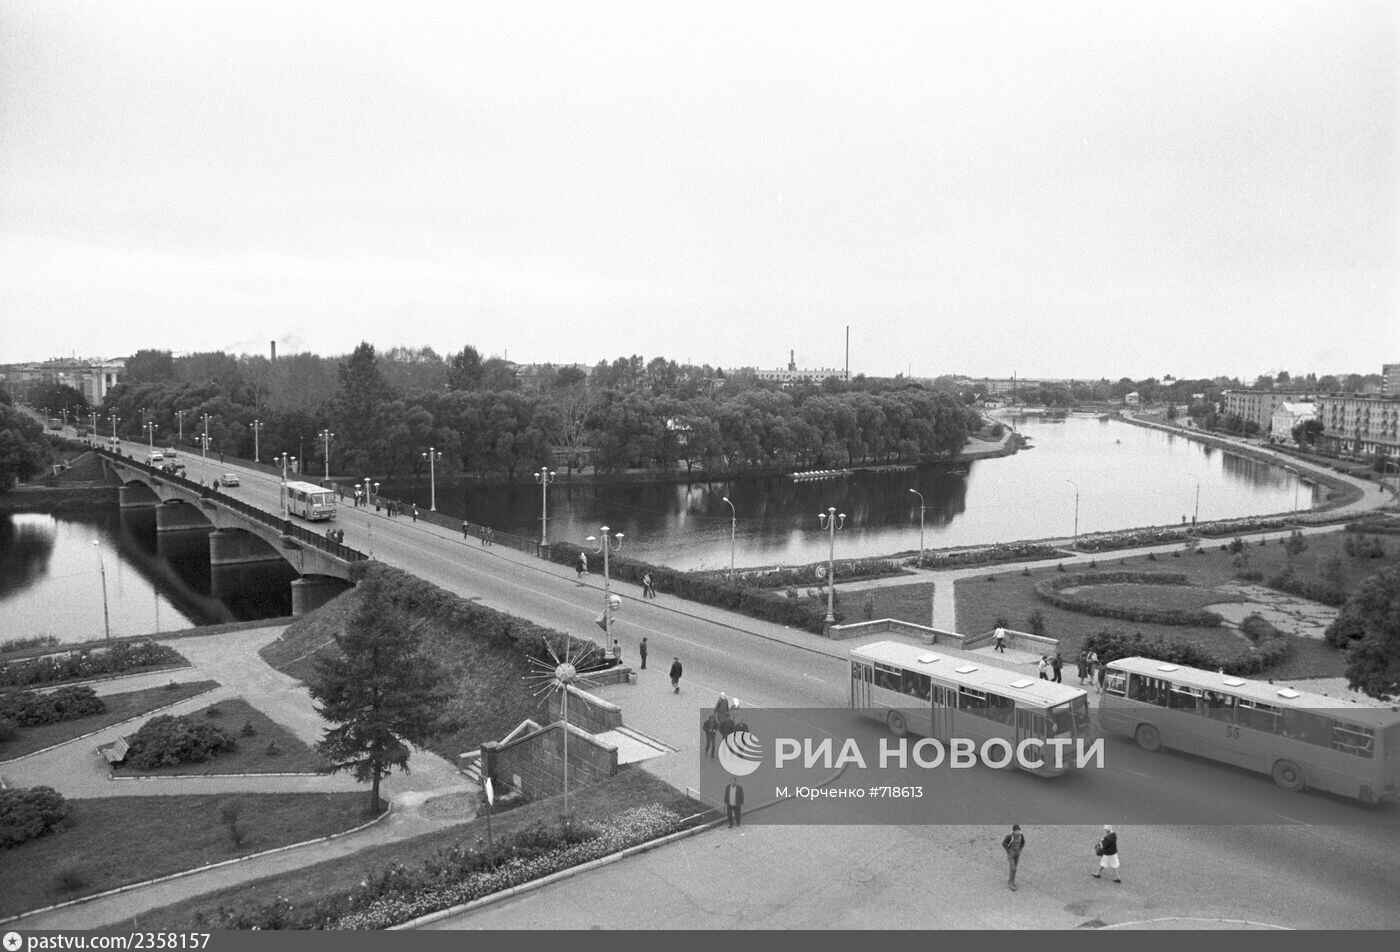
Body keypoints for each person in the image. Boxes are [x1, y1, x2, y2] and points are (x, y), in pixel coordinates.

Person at [1002, 824, 1026, 891]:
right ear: (1014, 831)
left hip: (1017, 854)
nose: (1018, 832)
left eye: (1019, 830)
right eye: (1017, 831)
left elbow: (1023, 843)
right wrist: (1008, 850)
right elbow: (1004, 843)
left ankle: (1011, 881)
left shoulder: (1021, 836)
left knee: (1014, 869)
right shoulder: (1009, 837)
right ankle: (1011, 883)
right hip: (1011, 854)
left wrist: (1020, 849)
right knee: (1013, 868)